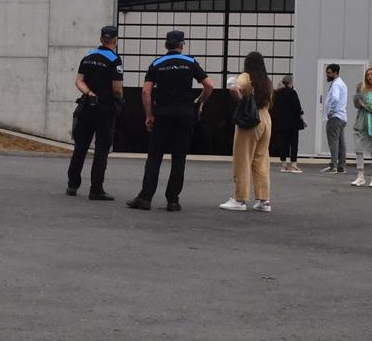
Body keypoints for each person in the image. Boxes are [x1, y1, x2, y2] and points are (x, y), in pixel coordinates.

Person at [127, 30, 212, 212]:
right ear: (182, 45)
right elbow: (209, 85)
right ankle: (173, 200)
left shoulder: (157, 63)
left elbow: (145, 92)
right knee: (179, 158)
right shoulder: (190, 62)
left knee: (154, 156)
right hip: (184, 114)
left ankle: (145, 197)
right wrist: (200, 101)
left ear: (166, 45)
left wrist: (149, 115)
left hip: (163, 115)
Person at [65, 25, 124, 200]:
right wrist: (120, 100)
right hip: (105, 109)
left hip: (87, 105)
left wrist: (89, 93)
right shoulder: (115, 60)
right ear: (115, 40)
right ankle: (96, 189)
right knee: (101, 149)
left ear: (101, 39)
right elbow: (117, 89)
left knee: (80, 147)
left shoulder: (88, 56)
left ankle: (72, 184)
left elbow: (79, 81)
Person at [222, 51, 275, 212]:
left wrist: (242, 101)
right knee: (261, 159)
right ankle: (263, 200)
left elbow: (233, 88)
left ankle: (240, 199)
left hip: (250, 119)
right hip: (266, 119)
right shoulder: (267, 81)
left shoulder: (246, 76)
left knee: (243, 158)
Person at [271, 74, 305, 173]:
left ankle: (284, 164)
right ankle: (294, 164)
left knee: (283, 143)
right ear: (290, 82)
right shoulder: (292, 92)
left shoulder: (277, 93)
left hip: (281, 122)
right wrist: (303, 119)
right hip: (292, 122)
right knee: (294, 143)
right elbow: (297, 107)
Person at [321, 64, 349, 174]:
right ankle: (341, 166)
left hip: (335, 117)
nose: (327, 75)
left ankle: (334, 166)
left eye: (329, 73)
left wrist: (330, 111)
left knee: (333, 142)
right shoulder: (342, 84)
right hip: (342, 117)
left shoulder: (336, 85)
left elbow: (335, 98)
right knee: (341, 142)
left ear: (335, 73)